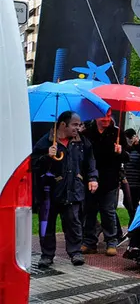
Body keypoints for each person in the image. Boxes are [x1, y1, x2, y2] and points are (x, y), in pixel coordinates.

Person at [33, 112, 98, 268]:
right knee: (47, 223)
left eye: (79, 124)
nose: (78, 128)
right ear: (63, 125)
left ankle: (75, 253)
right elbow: (33, 164)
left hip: (73, 189)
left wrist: (93, 178)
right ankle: (47, 255)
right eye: (75, 125)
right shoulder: (46, 141)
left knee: (73, 222)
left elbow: (91, 161)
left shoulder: (82, 142)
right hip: (49, 192)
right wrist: (46, 156)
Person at [82, 112, 128, 257]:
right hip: (90, 179)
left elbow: (127, 157)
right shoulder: (86, 133)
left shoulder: (117, 133)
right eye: (103, 116)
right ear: (96, 117)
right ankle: (90, 242)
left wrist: (120, 152)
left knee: (108, 211)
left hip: (110, 180)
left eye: (109, 116)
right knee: (89, 211)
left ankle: (111, 241)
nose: (107, 119)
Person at [123, 129, 140, 226]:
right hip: (128, 182)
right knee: (128, 203)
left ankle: (135, 224)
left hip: (137, 183)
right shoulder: (127, 150)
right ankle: (134, 224)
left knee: (132, 204)